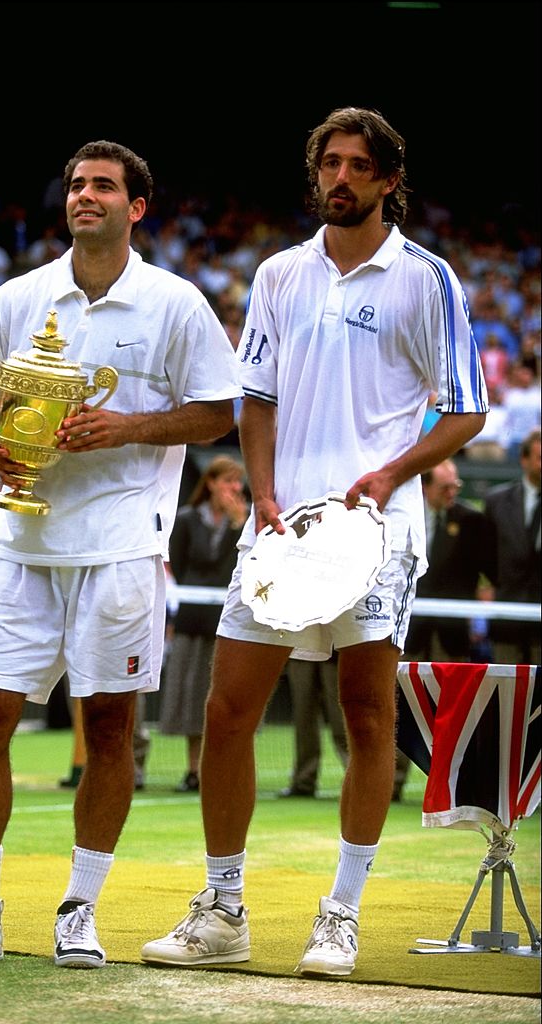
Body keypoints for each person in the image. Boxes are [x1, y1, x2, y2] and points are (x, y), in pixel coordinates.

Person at [141, 106, 488, 979]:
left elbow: (467, 407)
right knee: (227, 714)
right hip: (280, 530)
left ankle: (340, 914)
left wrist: (392, 474)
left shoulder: (427, 279)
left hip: (374, 534)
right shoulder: (279, 275)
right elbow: (255, 396)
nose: (339, 177)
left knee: (367, 715)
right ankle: (224, 911)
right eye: (328, 163)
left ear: (387, 180)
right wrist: (261, 490)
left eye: (357, 165)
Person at [0, 140, 242, 967]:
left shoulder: (176, 303)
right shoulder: (19, 298)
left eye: (104, 186)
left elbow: (219, 413)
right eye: (76, 185)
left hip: (123, 544)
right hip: (22, 538)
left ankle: (80, 909)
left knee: (109, 724)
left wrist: (125, 426)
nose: (85, 196)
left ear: (137, 207)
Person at [394, 457, 494, 801]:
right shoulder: (403, 517)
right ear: (424, 487)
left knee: (453, 712)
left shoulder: (471, 521)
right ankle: (390, 783)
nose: (452, 493)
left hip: (451, 635)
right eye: (445, 487)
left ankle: (451, 787)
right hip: (408, 631)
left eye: (457, 487)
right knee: (399, 708)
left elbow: (488, 572)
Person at [158, 454, 248, 792]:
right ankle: (193, 770)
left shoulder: (246, 521)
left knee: (230, 700)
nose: (234, 488)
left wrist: (238, 526)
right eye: (227, 480)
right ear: (210, 483)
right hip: (193, 621)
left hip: (230, 621)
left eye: (237, 482)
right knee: (193, 697)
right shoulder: (186, 519)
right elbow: (180, 566)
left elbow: (240, 565)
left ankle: (225, 771)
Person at [483, 427, 541, 665]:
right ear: (523, 459)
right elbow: (485, 555)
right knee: (505, 691)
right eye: (540, 458)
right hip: (506, 615)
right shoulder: (495, 501)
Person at [278, 654, 348, 798]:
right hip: (300, 652)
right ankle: (303, 781)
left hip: (336, 653)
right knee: (303, 719)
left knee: (342, 720)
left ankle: (356, 781)